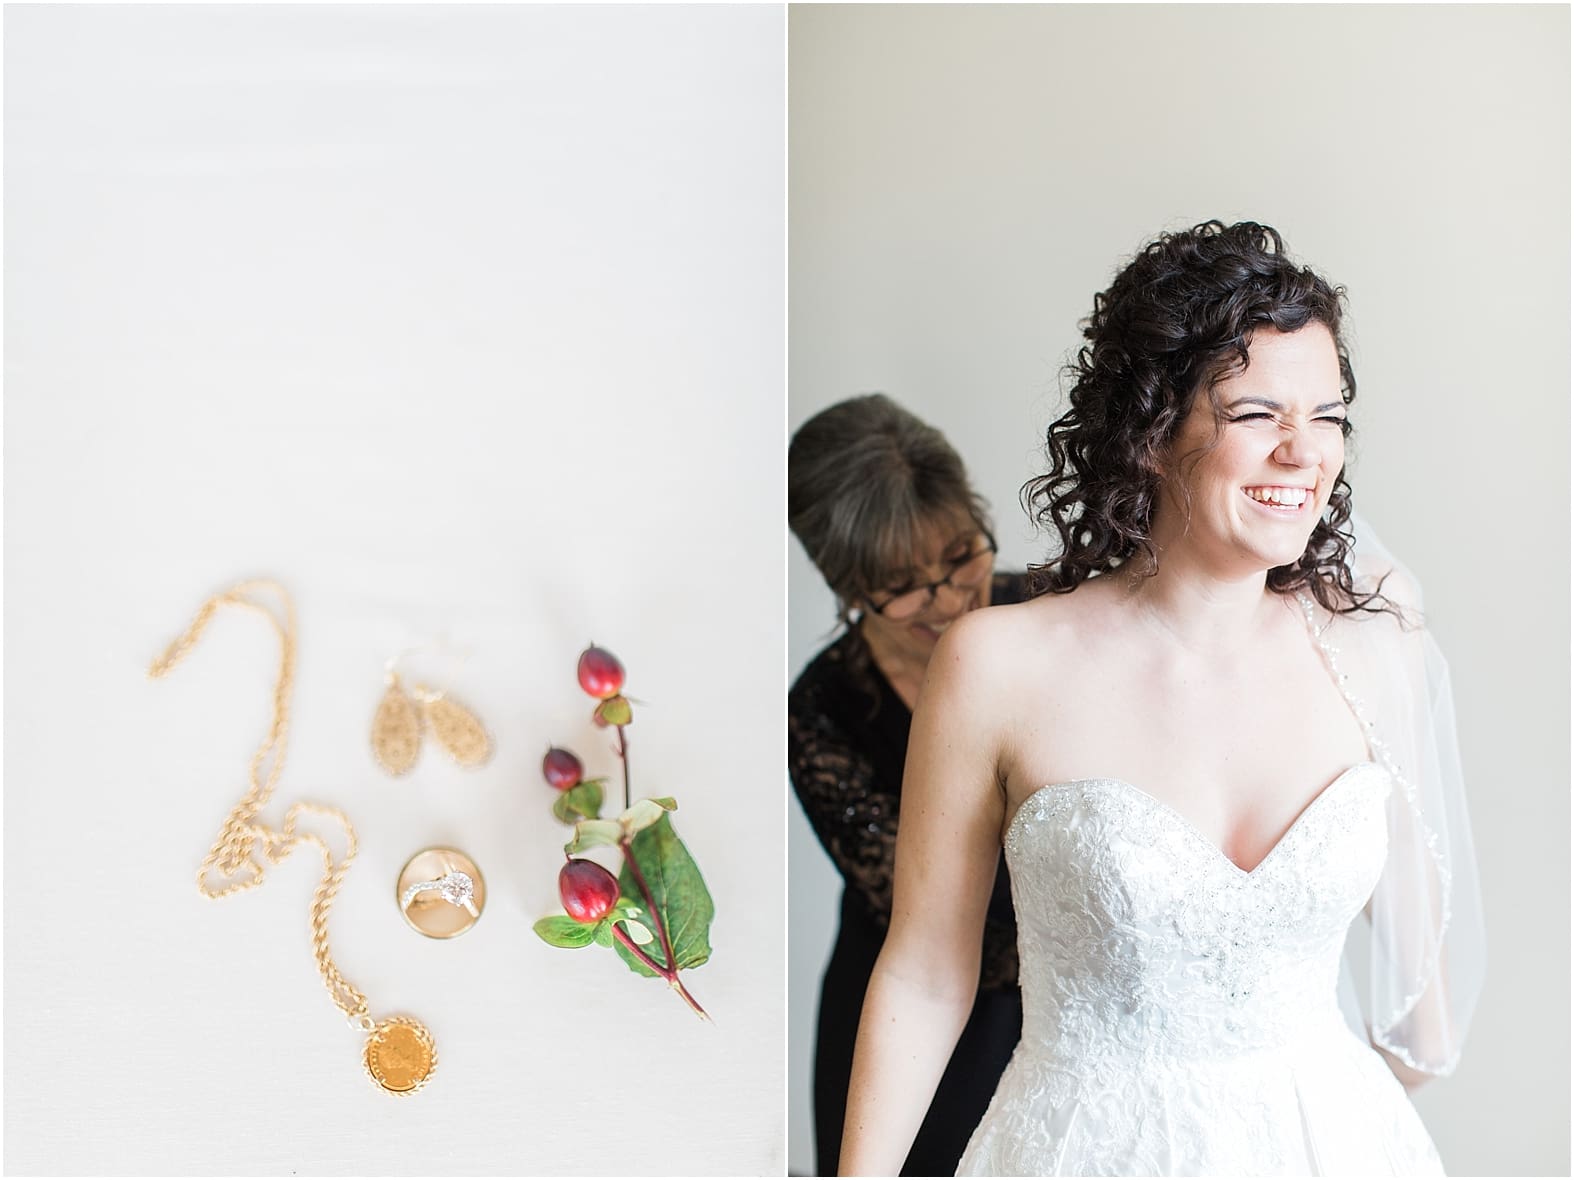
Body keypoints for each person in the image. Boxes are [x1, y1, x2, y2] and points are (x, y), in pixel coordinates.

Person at [837, 222, 1486, 1176]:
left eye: (1330, 416)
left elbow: (1418, 1001)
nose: (1305, 453)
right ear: (1151, 433)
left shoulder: (1379, 634)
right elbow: (929, 974)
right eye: (1259, 413)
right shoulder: (995, 664)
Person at [788, 393, 1027, 1177]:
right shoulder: (819, 713)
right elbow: (943, 942)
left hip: (1071, 1003)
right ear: (846, 585)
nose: (952, 596)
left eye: (962, 552)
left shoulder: (1057, 620)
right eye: (902, 583)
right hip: (915, 1017)